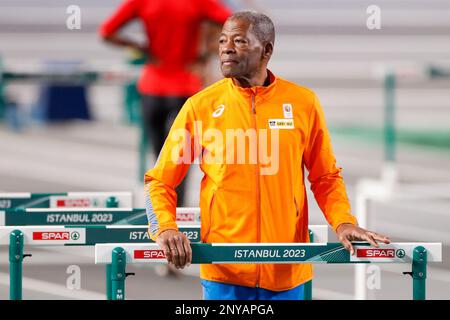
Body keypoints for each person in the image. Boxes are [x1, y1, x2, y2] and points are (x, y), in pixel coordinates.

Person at [145, 11, 391, 300]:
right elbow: (158, 181)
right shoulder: (201, 107)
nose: (225, 48)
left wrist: (343, 221)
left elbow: (325, 176)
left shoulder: (302, 103)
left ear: (267, 50)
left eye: (239, 41)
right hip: (225, 271)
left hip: (286, 269)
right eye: (223, 40)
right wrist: (165, 227)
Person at [99, 0, 232, 205]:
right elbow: (232, 22)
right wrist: (208, 49)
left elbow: (107, 31)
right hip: (185, 84)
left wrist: (140, 47)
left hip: (152, 85)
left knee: (160, 157)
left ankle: (163, 209)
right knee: (181, 157)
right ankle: (178, 211)